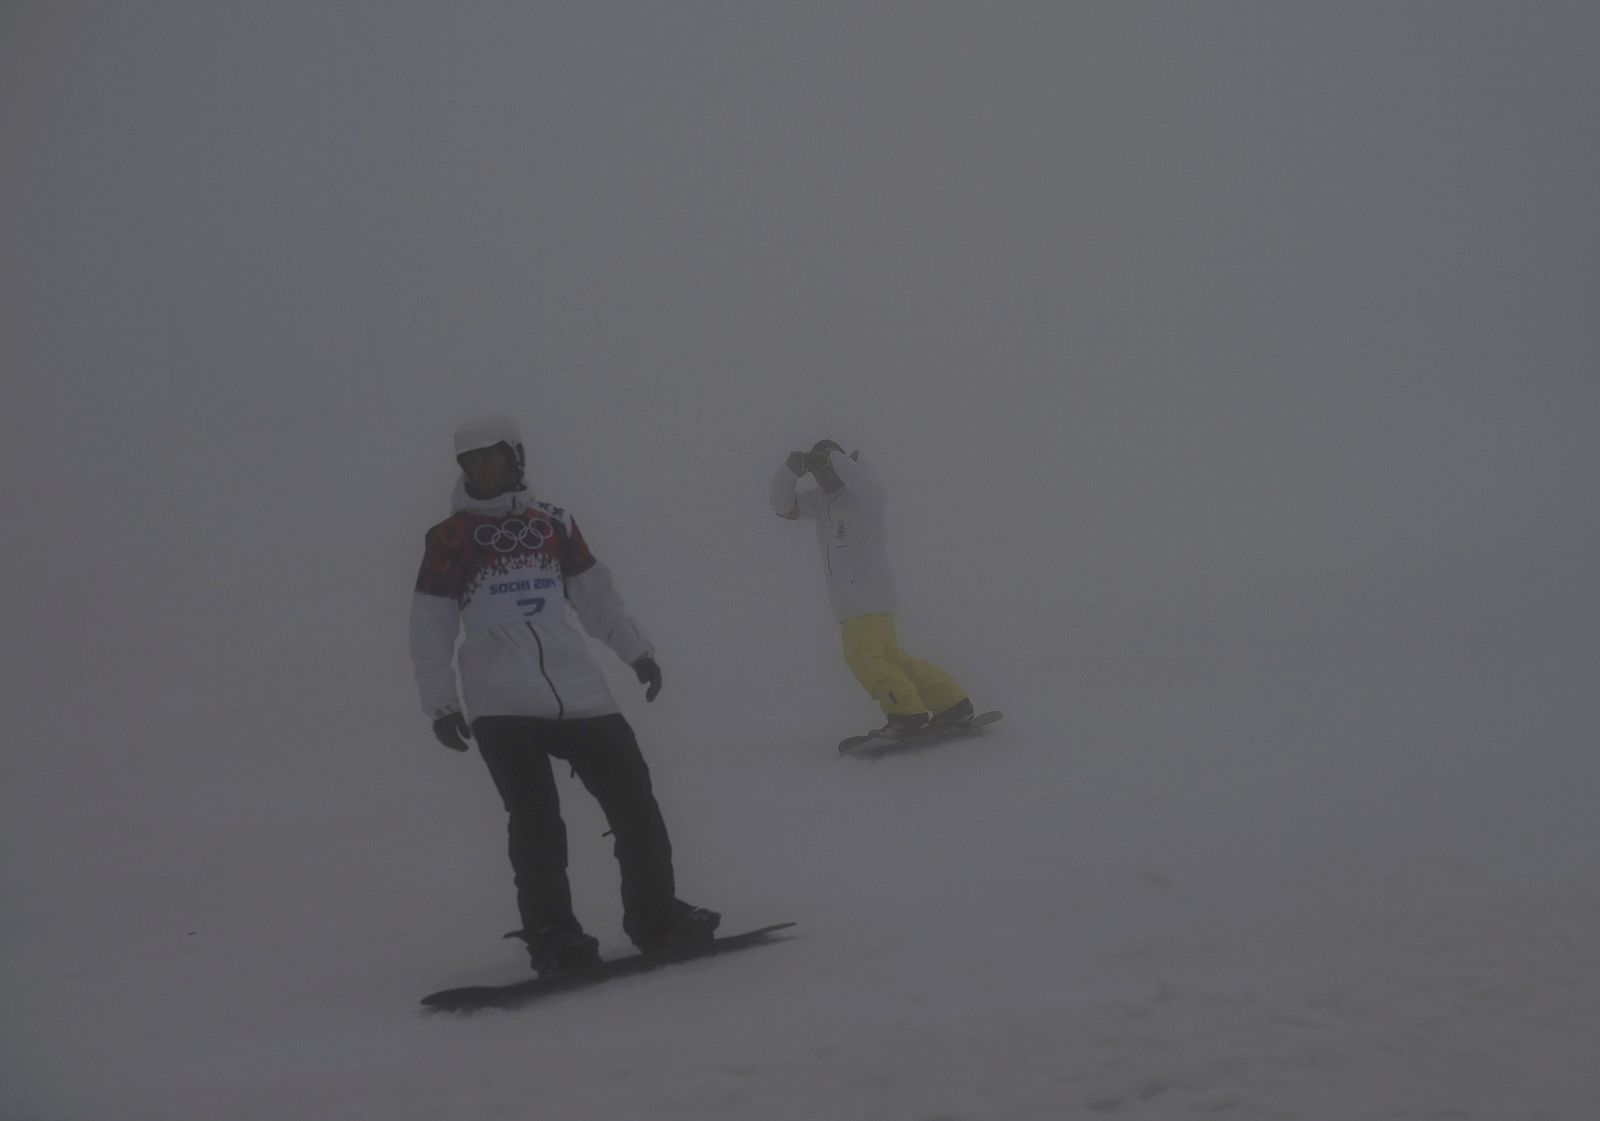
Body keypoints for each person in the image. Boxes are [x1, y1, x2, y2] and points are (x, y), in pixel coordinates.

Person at [409, 415, 719, 976]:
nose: (481, 468)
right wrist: (441, 701)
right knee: (536, 823)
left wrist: (636, 651)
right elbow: (430, 623)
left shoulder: (556, 523)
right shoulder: (449, 537)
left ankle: (656, 917)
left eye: (491, 456)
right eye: (470, 460)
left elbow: (596, 597)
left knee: (635, 805)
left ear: (515, 456)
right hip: (500, 701)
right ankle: (554, 936)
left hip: (581, 692)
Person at [770, 439, 974, 738]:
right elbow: (783, 507)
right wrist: (790, 469)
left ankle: (906, 714)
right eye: (817, 474)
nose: (822, 480)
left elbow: (861, 480)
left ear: (841, 466)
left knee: (863, 658)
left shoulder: (865, 495)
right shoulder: (824, 502)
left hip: (864, 597)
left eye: (826, 472)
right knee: (892, 659)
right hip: (859, 602)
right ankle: (952, 703)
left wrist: (832, 457)